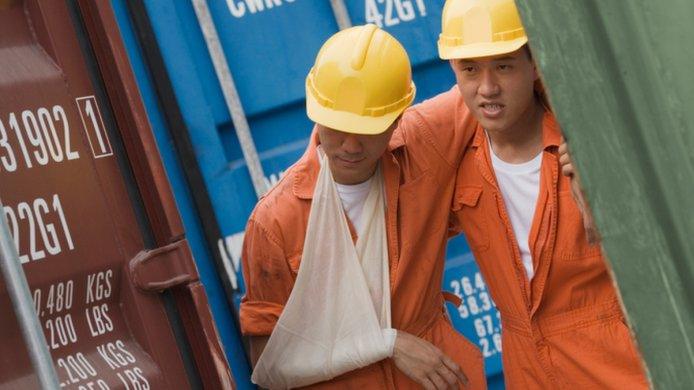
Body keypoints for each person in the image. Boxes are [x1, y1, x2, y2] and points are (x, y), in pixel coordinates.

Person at [239, 24, 485, 389]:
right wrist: (385, 343)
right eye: (337, 127)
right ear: (315, 112)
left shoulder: (425, 144)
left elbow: (508, 81)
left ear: (398, 118)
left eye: (368, 128)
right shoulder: (275, 221)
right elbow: (270, 361)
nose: (350, 146)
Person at [430, 0, 650, 388]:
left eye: (503, 65)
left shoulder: (589, 146)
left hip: (619, 365)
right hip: (529, 369)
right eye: (469, 69)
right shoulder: (456, 166)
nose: (487, 88)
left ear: (534, 64)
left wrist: (604, 203)